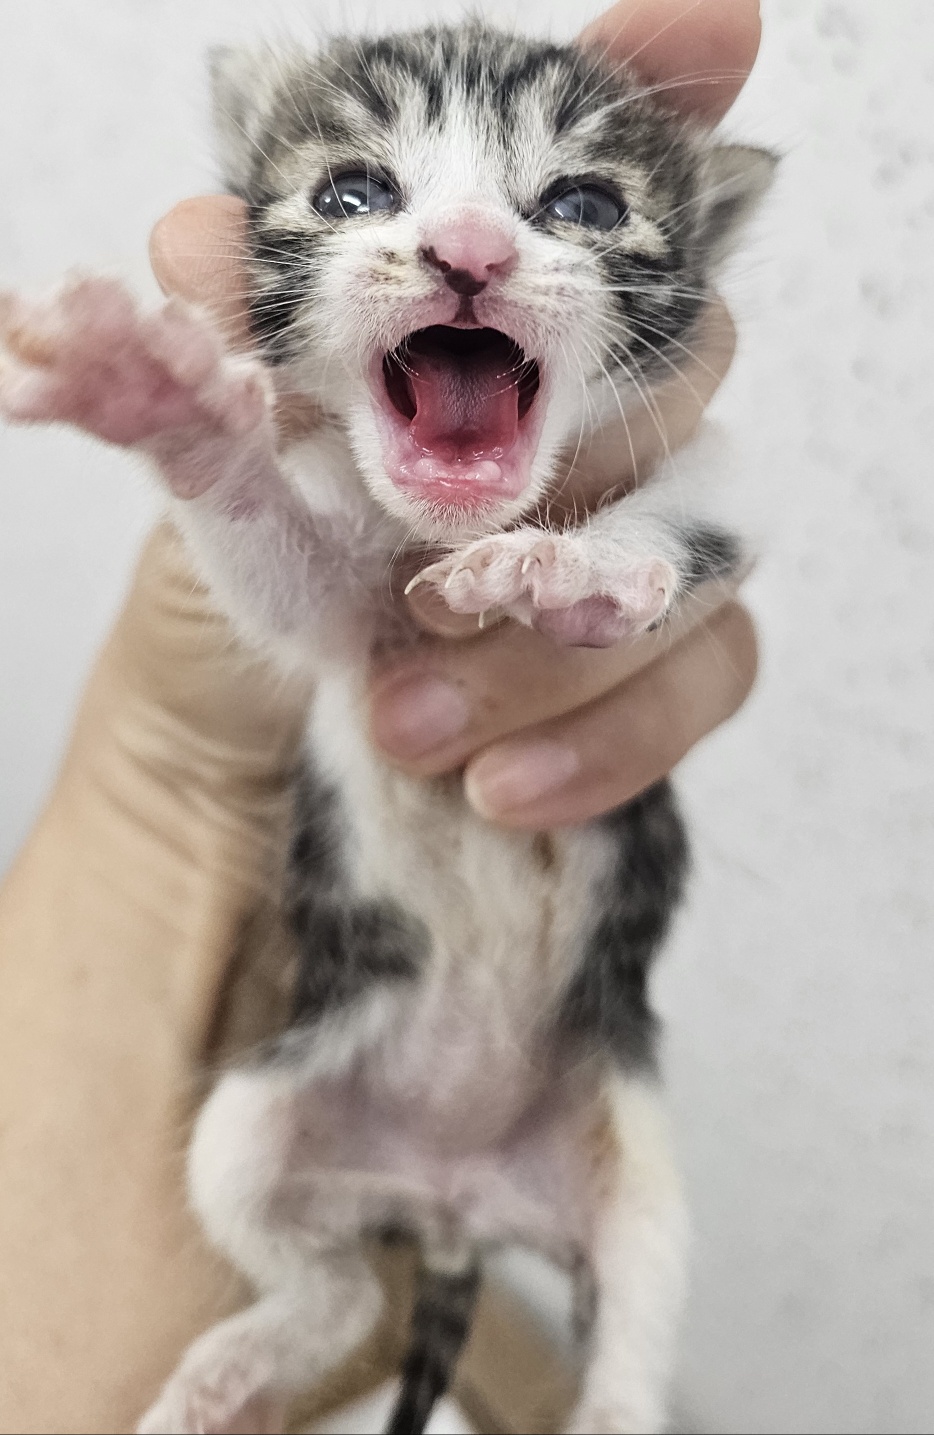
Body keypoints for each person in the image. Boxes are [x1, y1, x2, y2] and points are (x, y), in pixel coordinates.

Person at [0, 2, 761, 1428]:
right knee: (239, 1151)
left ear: (695, 254)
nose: (468, 244)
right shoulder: (321, 457)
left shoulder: (658, 461)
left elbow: (714, 526)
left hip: (561, 1074)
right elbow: (307, 610)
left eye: (579, 201)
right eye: (357, 190)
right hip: (349, 1059)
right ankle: (319, 1295)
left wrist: (625, 565)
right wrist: (197, 443)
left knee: (637, 1206)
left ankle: (621, 1397)